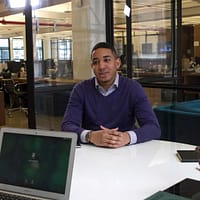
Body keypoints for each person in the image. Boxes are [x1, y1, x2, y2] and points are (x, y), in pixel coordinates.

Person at [61, 42, 161, 148]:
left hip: (126, 151)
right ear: (92, 67)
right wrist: (91, 136)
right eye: (96, 62)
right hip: (92, 150)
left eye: (107, 60)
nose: (101, 66)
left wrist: (127, 137)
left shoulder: (133, 88)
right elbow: (67, 126)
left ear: (117, 63)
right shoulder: (81, 89)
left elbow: (153, 128)